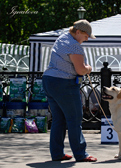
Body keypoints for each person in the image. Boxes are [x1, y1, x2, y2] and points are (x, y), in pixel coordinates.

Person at [42, 20, 97, 162]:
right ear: (78, 32)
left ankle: (57, 154)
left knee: (58, 120)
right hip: (64, 83)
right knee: (74, 119)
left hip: (49, 80)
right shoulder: (74, 45)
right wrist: (89, 68)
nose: (86, 40)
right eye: (86, 36)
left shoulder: (62, 38)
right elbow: (80, 70)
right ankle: (80, 154)